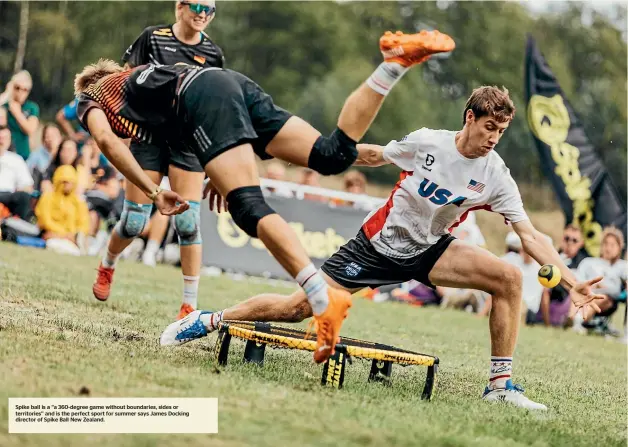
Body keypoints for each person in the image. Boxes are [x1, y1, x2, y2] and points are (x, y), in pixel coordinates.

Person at [161, 84, 606, 409]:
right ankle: (207, 319)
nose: (493, 138)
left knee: (508, 277)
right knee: (296, 308)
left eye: (502, 131)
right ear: (469, 117)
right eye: (489, 126)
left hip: (432, 250)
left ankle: (499, 387)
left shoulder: (496, 174)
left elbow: (530, 234)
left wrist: (571, 281)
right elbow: (374, 155)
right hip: (375, 247)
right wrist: (318, 151)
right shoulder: (429, 143)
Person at [74, 29, 455, 363]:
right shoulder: (147, 85)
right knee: (331, 153)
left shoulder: (93, 96)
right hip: (231, 85)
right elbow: (191, 128)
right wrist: (218, 170)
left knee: (248, 207)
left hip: (203, 100)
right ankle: (393, 64)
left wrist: (155, 191)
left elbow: (108, 141)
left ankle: (322, 298)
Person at [93, 0, 226, 320]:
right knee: (134, 222)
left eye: (210, 9)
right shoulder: (152, 37)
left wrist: (217, 168)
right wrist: (119, 133)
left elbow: (214, 109)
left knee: (187, 223)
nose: (203, 14)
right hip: (148, 138)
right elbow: (122, 84)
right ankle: (107, 264)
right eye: (197, 6)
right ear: (179, 6)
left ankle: (189, 306)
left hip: (187, 144)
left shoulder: (214, 55)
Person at [2, 70, 39, 160]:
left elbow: (30, 129)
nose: (21, 92)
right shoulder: (4, 105)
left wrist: (17, 113)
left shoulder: (31, 107)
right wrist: (7, 93)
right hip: (4, 154)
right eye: (17, 88)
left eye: (25, 89)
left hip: (22, 155)